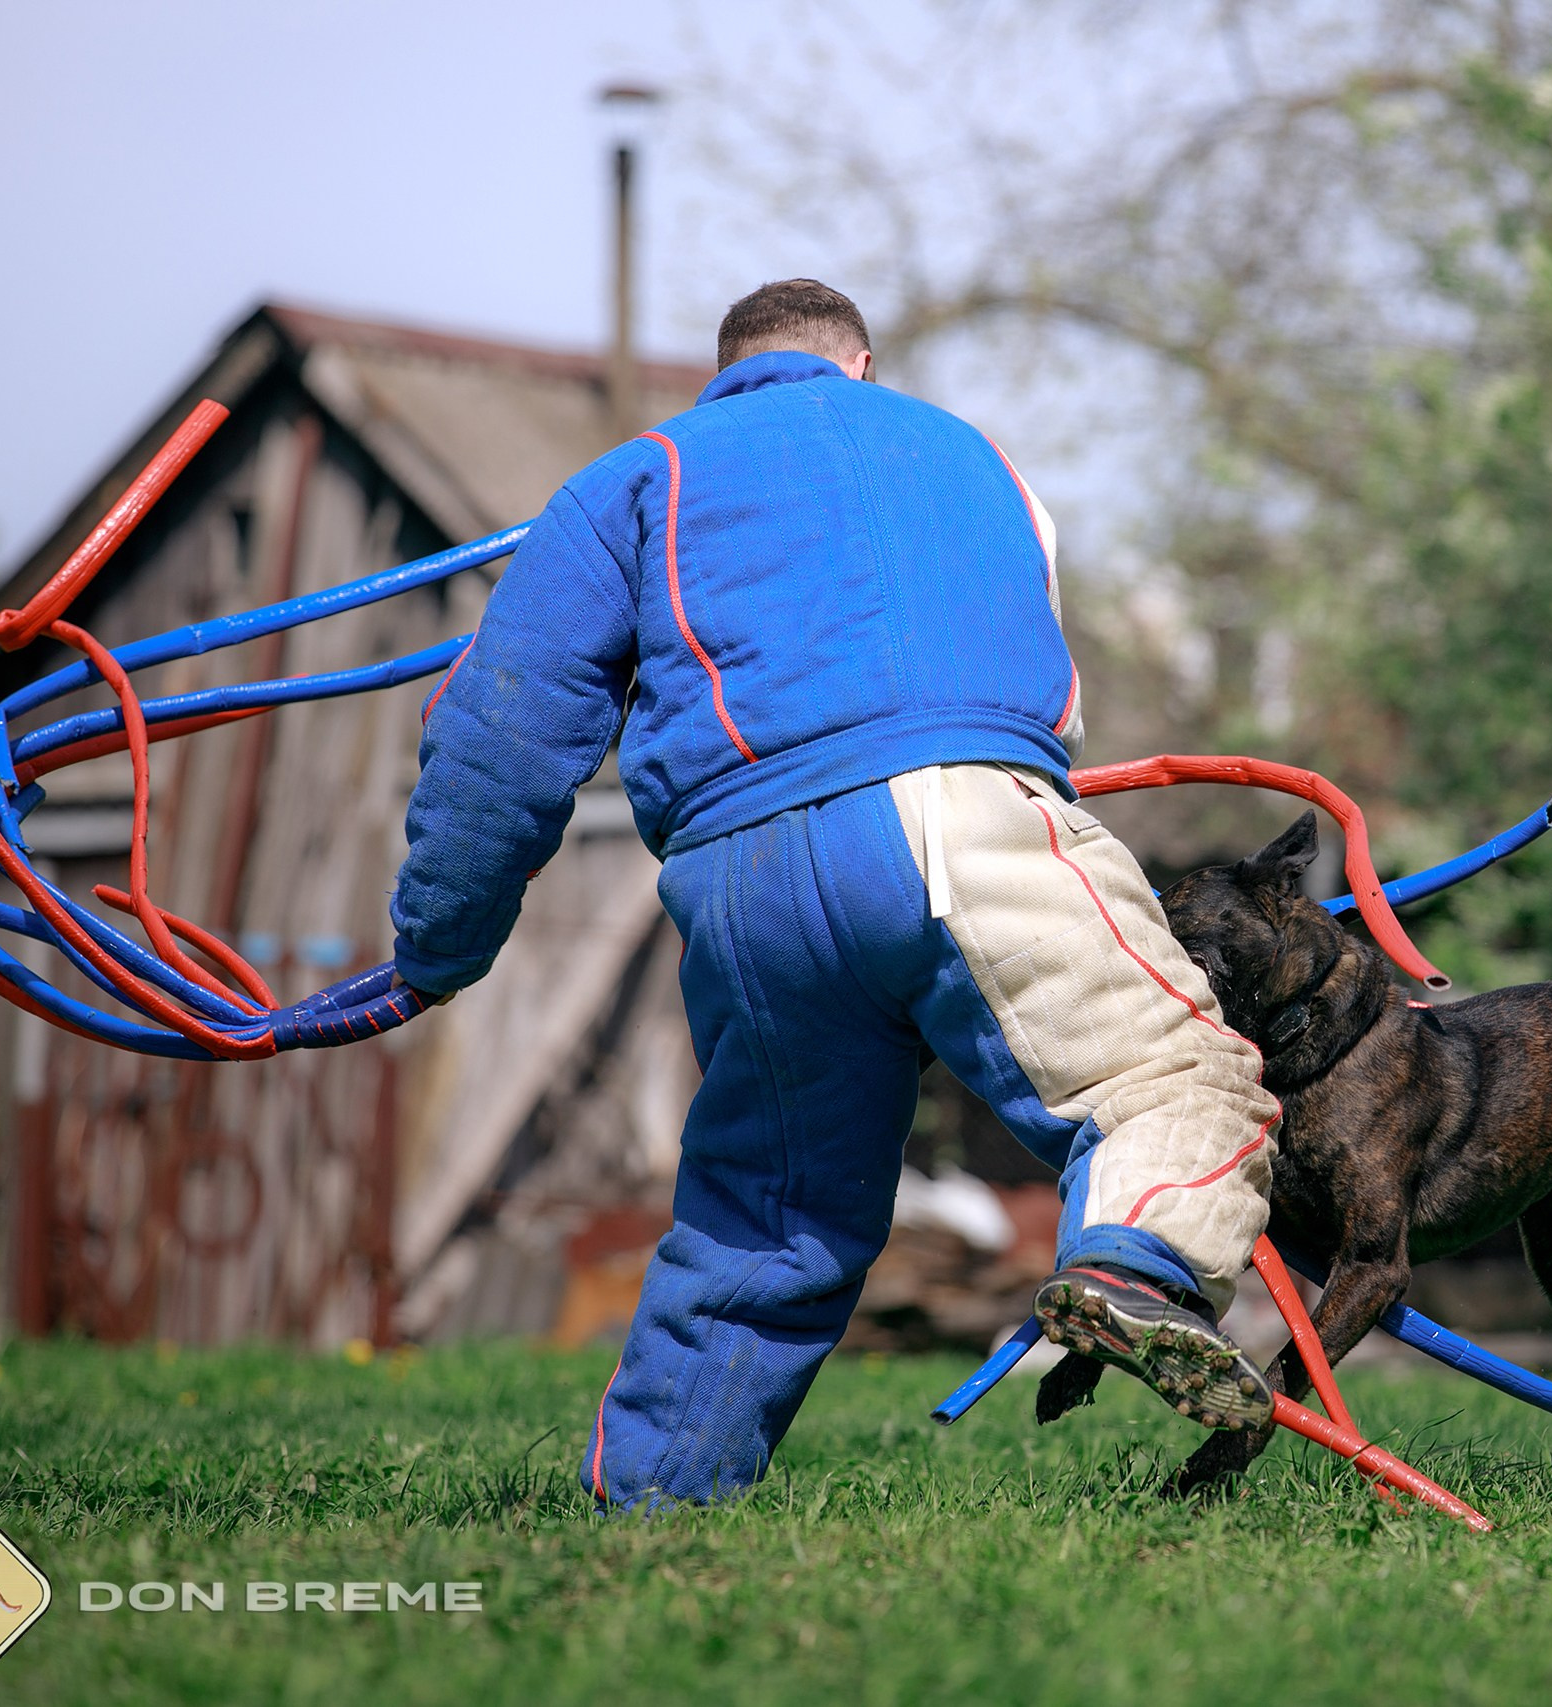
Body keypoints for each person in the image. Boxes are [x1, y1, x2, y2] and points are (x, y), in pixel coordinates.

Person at [388, 278, 1283, 1507]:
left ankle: (654, 1506)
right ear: (860, 365)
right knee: (1168, 1080)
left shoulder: (628, 478)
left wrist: (438, 945)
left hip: (735, 877)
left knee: (763, 1219)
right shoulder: (972, 455)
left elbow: (498, 735)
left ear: (722, 377)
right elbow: (1049, 700)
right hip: (955, 813)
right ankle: (1133, 1267)